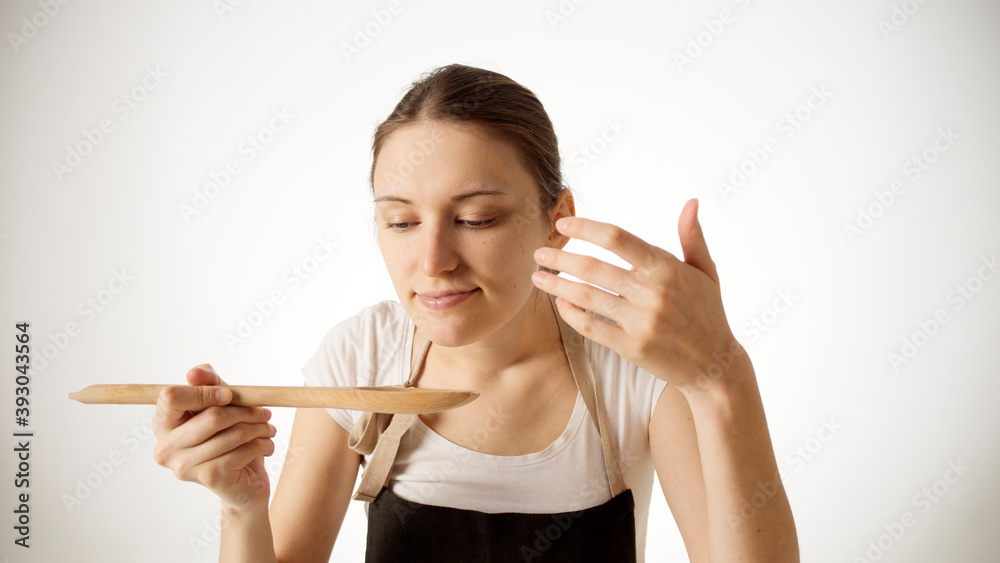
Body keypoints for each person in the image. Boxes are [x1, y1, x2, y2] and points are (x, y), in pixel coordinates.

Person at [152, 63, 799, 562]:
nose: (432, 259)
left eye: (474, 219)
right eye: (400, 220)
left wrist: (721, 373)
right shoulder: (362, 358)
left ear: (555, 220)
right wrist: (241, 505)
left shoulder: (634, 372)